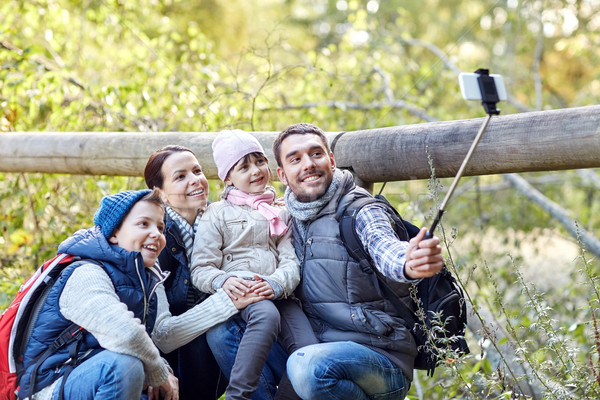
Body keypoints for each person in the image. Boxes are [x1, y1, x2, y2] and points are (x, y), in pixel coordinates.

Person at [18, 189, 259, 400]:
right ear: (113, 233)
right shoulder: (86, 273)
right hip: (51, 385)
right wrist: (158, 373)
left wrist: (228, 301)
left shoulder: (147, 276)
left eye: (160, 227)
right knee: (124, 365)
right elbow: (125, 333)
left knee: (139, 366)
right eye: (144, 224)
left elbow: (160, 335)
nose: (156, 233)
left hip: (93, 374)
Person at [271, 123, 445, 400]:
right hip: (315, 346)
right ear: (282, 174)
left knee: (308, 367)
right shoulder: (284, 219)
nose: (309, 164)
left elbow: (386, 249)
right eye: (296, 159)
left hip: (379, 355)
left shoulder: (361, 211)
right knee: (228, 334)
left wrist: (410, 262)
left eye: (316, 154)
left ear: (331, 159)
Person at [190, 130, 317, 400]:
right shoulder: (217, 213)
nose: (256, 170)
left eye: (259, 161)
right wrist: (222, 281)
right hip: (242, 291)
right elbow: (201, 268)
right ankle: (238, 394)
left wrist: (275, 284)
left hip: (278, 292)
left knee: (309, 351)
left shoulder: (281, 211)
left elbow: (290, 259)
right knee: (266, 316)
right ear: (228, 177)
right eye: (243, 166)